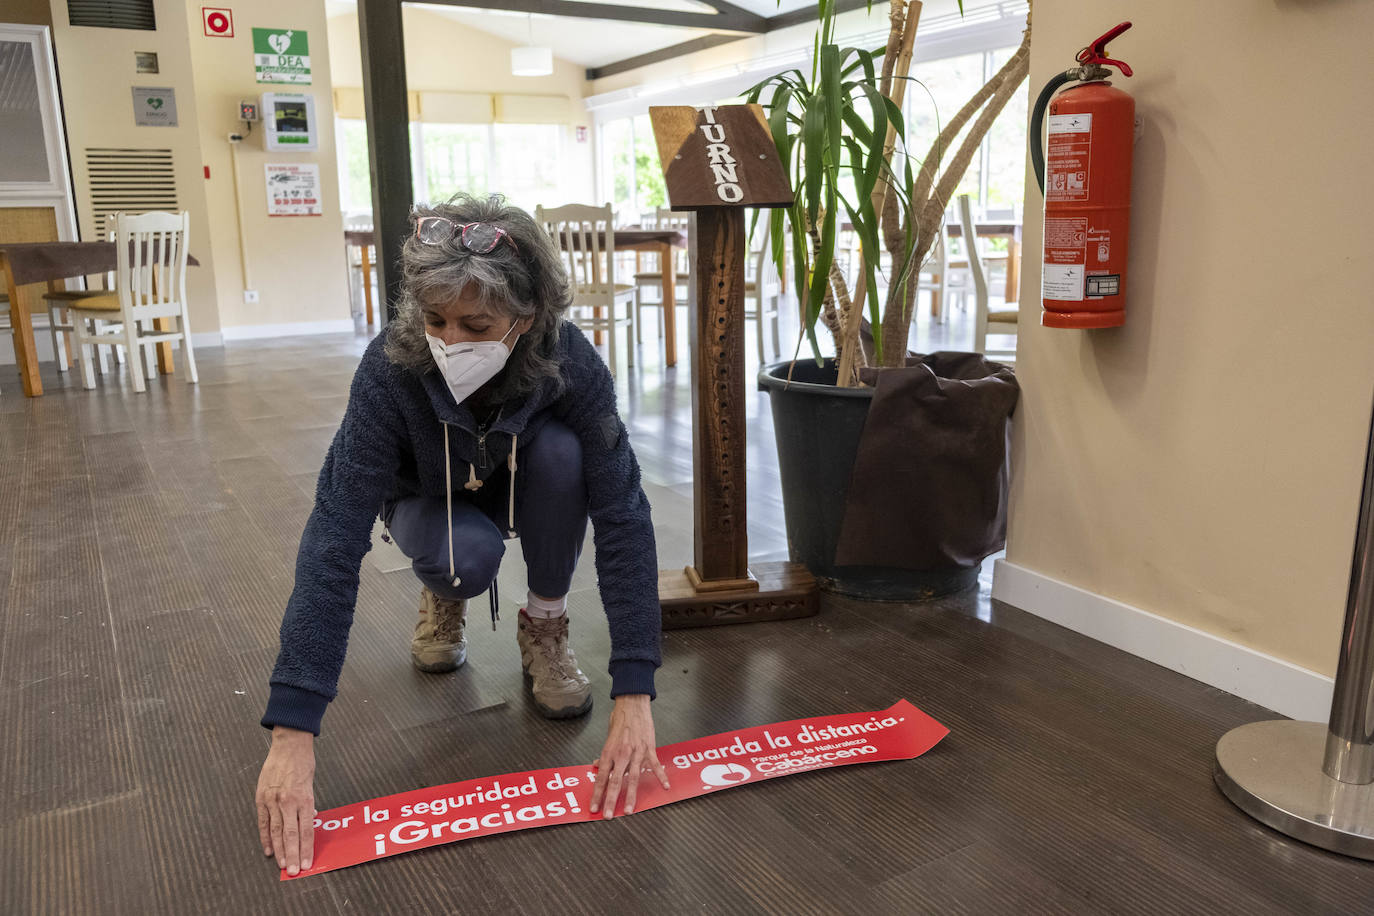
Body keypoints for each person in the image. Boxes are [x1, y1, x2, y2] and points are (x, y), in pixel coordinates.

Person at [254, 194, 669, 876]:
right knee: (463, 562)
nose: (450, 342)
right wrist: (293, 728)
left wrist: (635, 690)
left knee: (566, 455)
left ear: (528, 317)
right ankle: (442, 596)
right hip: (427, 496)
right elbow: (333, 534)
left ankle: (545, 624)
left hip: (522, 480)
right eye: (436, 320)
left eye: (477, 325)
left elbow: (624, 514)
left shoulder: (571, 361)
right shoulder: (389, 369)